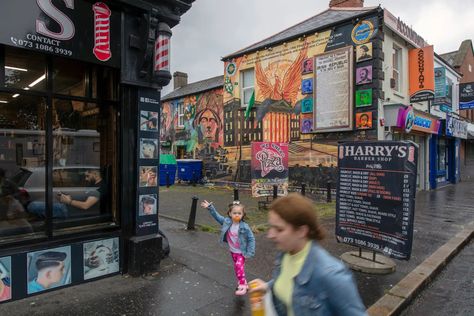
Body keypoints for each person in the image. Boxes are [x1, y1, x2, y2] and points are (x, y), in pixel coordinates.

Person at [249, 193, 367, 316]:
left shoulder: (331, 275)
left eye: (279, 229)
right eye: (271, 227)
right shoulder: (285, 253)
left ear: (301, 231)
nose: (270, 235)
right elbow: (291, 279)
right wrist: (268, 287)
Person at [200, 200, 256, 296]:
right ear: (230, 213)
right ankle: (242, 280)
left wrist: (250, 252)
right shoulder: (227, 222)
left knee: (239, 266)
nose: (237, 215)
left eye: (239, 213)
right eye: (234, 213)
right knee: (237, 267)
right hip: (233, 251)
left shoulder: (245, 227)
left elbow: (251, 239)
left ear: (243, 214)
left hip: (241, 252)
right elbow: (217, 217)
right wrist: (210, 208)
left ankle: (243, 285)